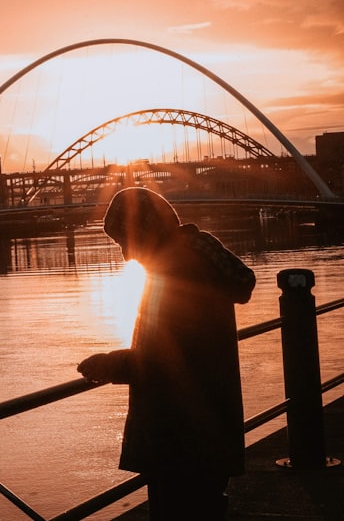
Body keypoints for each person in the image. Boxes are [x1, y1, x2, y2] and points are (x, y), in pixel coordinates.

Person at [77, 187, 255, 520]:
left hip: (180, 436)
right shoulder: (197, 258)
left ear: (145, 233)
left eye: (124, 241)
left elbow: (164, 361)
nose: (126, 255)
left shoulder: (175, 272)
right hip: (211, 428)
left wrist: (109, 364)